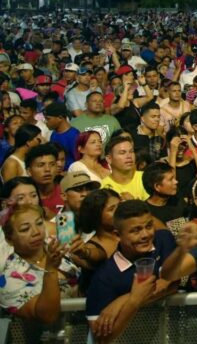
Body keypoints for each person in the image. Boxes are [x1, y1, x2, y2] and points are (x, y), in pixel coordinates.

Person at [85, 200, 178, 342]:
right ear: (117, 235)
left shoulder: (163, 240)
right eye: (136, 230)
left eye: (148, 226)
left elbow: (171, 283)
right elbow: (101, 338)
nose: (145, 235)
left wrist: (123, 300)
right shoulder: (104, 277)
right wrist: (133, 302)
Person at [0, 204, 74, 325]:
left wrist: (85, 253)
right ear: (9, 239)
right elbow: (48, 316)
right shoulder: (9, 279)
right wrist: (51, 270)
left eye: (39, 223)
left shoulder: (58, 245)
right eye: (25, 229)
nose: (36, 232)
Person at [101, 135, 148, 200]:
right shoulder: (103, 187)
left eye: (131, 151)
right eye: (122, 153)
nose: (129, 156)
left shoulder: (146, 178)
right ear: (109, 159)